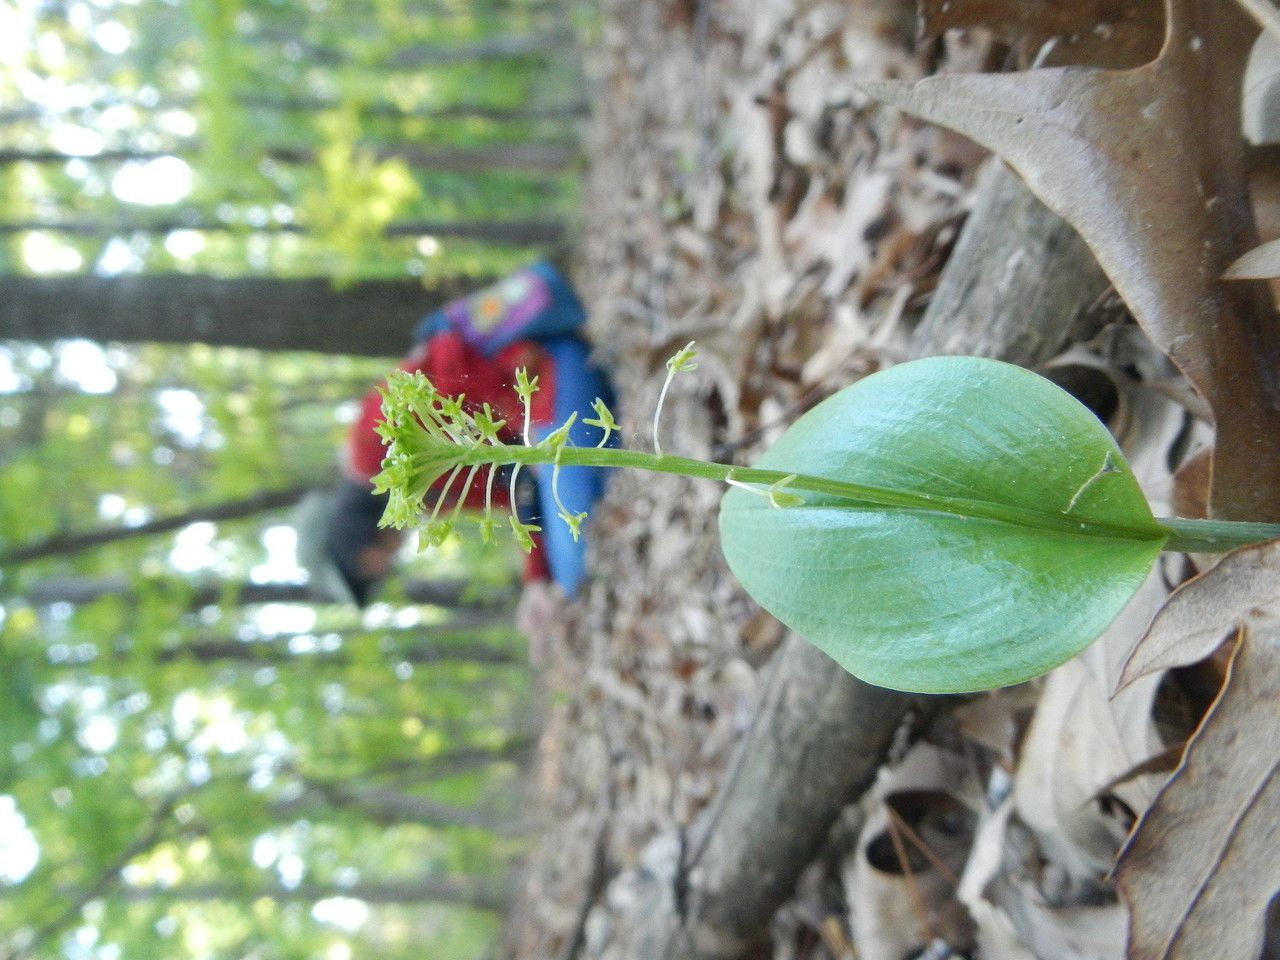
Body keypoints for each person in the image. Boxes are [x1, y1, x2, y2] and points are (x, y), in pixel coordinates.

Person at [294, 262, 616, 626]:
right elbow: (516, 490)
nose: (378, 568)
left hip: (545, 368)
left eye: (361, 569)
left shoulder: (369, 450)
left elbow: (448, 359)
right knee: (569, 574)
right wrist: (536, 580)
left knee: (576, 558)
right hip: (545, 423)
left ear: (348, 541)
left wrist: (519, 427)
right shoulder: (426, 501)